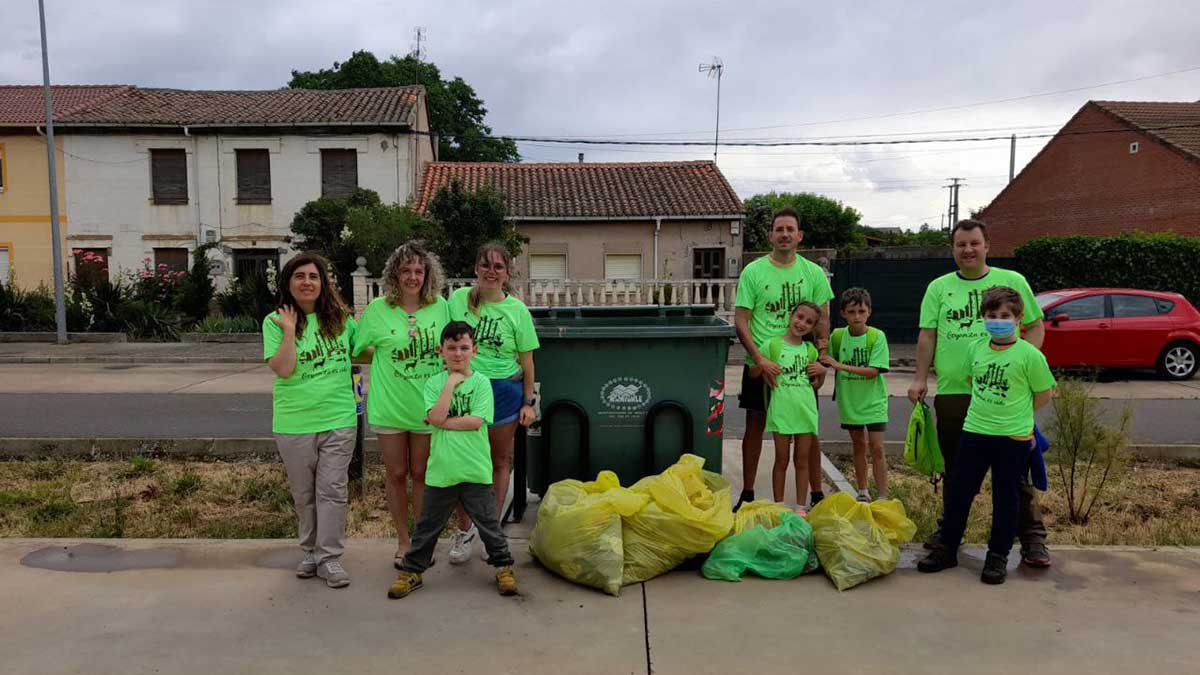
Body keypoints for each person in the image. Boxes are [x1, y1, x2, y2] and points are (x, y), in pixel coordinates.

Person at [907, 219, 1052, 568]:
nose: (968, 250)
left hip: (1007, 400)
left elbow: (1035, 326)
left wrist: (1020, 364)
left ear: (987, 244)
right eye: (961, 244)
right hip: (956, 393)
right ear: (953, 248)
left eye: (974, 243)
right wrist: (920, 378)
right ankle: (948, 537)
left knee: (1015, 476)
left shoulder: (1012, 282)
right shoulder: (939, 288)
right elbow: (928, 336)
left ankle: (1032, 538)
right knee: (957, 474)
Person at [917, 286, 1056, 584]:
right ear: (983, 317)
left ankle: (998, 556)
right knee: (959, 493)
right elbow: (973, 382)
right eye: (992, 315)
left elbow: (1044, 394)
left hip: (1013, 439)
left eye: (1005, 315)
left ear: (1018, 318)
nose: (998, 321)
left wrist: (1020, 418)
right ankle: (947, 548)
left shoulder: (1029, 355)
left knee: (1006, 499)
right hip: (975, 432)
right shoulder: (976, 348)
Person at [388, 321, 519, 599]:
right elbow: (434, 417)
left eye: (463, 347)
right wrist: (450, 383)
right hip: (442, 471)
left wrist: (441, 422)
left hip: (476, 470)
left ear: (475, 349)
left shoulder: (482, 383)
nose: (458, 354)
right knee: (427, 528)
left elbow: (475, 421)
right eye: (451, 348)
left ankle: (504, 568)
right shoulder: (435, 383)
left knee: (489, 526)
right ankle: (412, 571)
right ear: (441, 351)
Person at [263, 253, 358, 589]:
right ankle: (310, 551)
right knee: (304, 494)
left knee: (332, 490)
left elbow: (366, 350)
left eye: (314, 276)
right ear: (288, 282)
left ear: (323, 283)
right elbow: (284, 369)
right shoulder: (274, 322)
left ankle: (329, 558)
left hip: (338, 419)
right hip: (294, 423)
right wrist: (289, 331)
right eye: (300, 276)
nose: (307, 282)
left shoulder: (342, 320)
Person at [353, 242, 449, 568]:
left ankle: (421, 543)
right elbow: (357, 350)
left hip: (426, 408)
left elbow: (455, 346)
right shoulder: (379, 309)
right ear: (395, 274)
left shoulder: (440, 307)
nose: (412, 277)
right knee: (396, 473)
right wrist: (382, 355)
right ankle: (403, 541)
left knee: (422, 473)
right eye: (406, 270)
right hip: (389, 406)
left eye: (418, 271)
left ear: (427, 275)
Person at [734, 207, 834, 511]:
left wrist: (823, 359)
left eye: (791, 229)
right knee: (755, 424)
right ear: (770, 236)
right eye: (779, 229)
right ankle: (748, 492)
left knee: (808, 428)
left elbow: (824, 318)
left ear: (799, 236)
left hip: (800, 366)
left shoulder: (813, 273)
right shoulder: (753, 272)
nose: (785, 234)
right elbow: (741, 320)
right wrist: (758, 360)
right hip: (764, 361)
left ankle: (816, 494)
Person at [445, 242, 539, 563]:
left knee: (499, 461)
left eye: (498, 267)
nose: (491, 272)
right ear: (475, 269)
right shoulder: (457, 301)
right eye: (485, 265)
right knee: (464, 466)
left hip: (504, 392)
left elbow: (527, 361)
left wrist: (529, 401)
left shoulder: (517, 311)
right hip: (466, 391)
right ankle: (464, 530)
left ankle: (490, 531)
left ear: (507, 273)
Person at [820, 287, 890, 501]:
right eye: (851, 312)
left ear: (869, 312)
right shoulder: (838, 336)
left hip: (873, 401)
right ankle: (862, 491)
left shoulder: (877, 336)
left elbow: (873, 371)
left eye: (861, 311)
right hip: (849, 401)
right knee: (858, 445)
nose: (857, 316)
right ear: (843, 313)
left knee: (877, 447)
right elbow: (825, 361)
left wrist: (839, 365)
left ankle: (883, 495)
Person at [760, 302, 826, 508]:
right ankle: (778, 506)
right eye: (799, 317)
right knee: (781, 460)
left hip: (805, 411)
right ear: (791, 316)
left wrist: (822, 373)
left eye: (809, 322)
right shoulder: (773, 345)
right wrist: (764, 366)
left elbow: (816, 384)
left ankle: (800, 507)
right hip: (781, 411)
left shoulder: (810, 351)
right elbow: (754, 370)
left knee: (802, 460)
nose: (802, 323)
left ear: (813, 327)